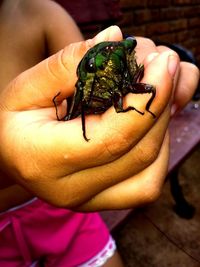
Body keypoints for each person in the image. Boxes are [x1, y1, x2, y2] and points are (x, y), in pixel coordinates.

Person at [0, 0, 199, 266]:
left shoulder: (42, 14)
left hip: (64, 214)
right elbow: (79, 96)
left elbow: (78, 78)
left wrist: (153, 76)